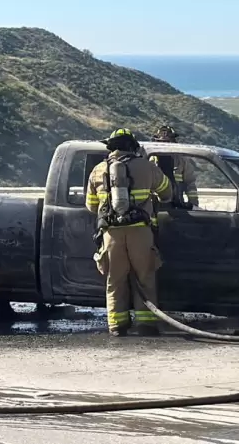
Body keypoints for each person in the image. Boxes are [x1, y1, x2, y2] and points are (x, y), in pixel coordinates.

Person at [85, 128, 173, 337]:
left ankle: (117, 326)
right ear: (133, 146)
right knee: (145, 278)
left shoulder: (98, 170)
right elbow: (168, 194)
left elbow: (90, 206)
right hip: (140, 234)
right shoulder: (147, 167)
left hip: (111, 235)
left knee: (115, 281)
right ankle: (146, 325)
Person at [149, 125, 200, 207]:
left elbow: (190, 184)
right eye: (161, 142)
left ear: (173, 142)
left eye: (167, 142)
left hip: (176, 204)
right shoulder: (151, 160)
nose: (164, 145)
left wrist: (194, 205)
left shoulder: (182, 160)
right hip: (156, 206)